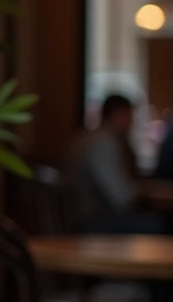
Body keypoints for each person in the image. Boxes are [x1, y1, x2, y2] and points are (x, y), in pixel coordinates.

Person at [66, 93, 164, 233]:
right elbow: (122, 198)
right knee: (159, 226)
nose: (132, 122)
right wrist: (144, 190)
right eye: (130, 116)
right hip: (92, 221)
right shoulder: (103, 142)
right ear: (118, 115)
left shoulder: (90, 137)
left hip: (86, 218)